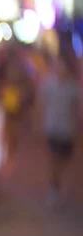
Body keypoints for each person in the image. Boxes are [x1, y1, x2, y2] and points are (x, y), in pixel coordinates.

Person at [41, 53, 80, 208]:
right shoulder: (48, 84)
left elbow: (76, 109)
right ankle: (53, 188)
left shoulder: (73, 87)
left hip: (67, 130)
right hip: (52, 128)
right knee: (54, 159)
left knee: (64, 159)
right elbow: (42, 104)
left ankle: (57, 185)